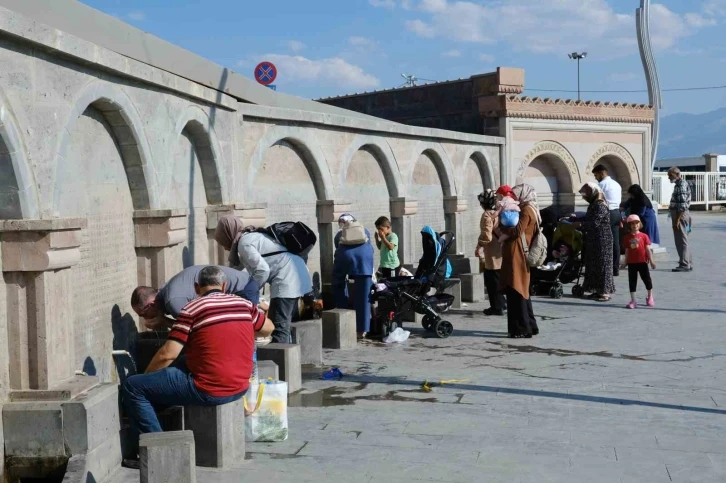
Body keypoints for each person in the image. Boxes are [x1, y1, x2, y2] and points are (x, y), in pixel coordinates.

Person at [122, 266, 274, 468]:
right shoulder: (244, 304)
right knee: (180, 364)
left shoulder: (192, 308)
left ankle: (161, 453)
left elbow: (168, 354)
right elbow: (269, 328)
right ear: (225, 285)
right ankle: (158, 408)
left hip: (209, 389)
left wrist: (147, 377)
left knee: (134, 387)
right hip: (240, 387)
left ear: (196, 287)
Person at [214, 215, 312, 344]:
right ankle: (292, 361)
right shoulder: (250, 237)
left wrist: (251, 291)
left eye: (222, 242)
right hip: (297, 274)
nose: (225, 248)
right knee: (285, 326)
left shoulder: (244, 243)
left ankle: (281, 363)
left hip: (287, 280)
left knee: (278, 327)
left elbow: (262, 270)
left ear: (227, 234)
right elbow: (235, 270)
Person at [131, 265, 260, 331]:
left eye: (143, 314)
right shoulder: (167, 291)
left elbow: (198, 328)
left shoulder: (173, 301)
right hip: (243, 283)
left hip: (243, 289)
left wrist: (164, 321)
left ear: (151, 304)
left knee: (243, 334)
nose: (145, 319)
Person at [499, 184, 539, 338]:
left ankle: (521, 328)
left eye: (516, 195)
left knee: (516, 289)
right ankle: (530, 325)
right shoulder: (528, 208)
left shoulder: (527, 210)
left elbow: (517, 231)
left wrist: (503, 228)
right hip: (518, 253)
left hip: (518, 254)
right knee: (522, 289)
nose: (514, 198)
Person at [332, 219, 375, 338]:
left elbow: (337, 246)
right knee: (364, 295)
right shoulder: (364, 229)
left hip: (345, 254)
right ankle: (362, 330)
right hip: (365, 257)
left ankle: (342, 312)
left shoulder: (340, 233)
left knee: (337, 282)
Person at [577, 182, 615, 302]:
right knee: (594, 265)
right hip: (594, 239)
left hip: (603, 239)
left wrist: (580, 225)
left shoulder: (600, 205)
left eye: (585, 194)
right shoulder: (594, 204)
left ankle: (605, 292)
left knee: (603, 265)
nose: (584, 197)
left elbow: (594, 222)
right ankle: (596, 290)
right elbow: (590, 218)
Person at [475, 189, 506, 316]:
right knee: (498, 279)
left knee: (492, 281)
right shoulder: (499, 213)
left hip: (492, 254)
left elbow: (487, 236)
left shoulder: (487, 215)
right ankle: (502, 303)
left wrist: (479, 247)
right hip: (501, 251)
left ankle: (496, 307)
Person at [592, 165, 623, 276]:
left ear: (602, 173)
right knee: (615, 242)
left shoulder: (601, 185)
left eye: (596, 175)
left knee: (603, 241)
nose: (596, 178)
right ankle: (615, 268)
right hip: (616, 213)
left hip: (606, 213)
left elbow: (597, 200)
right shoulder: (616, 184)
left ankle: (605, 267)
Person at [620, 214, 656, 309]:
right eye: (632, 224)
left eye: (637, 223)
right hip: (632, 263)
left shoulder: (644, 236)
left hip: (643, 262)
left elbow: (648, 249)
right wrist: (625, 262)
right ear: (629, 225)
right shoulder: (627, 237)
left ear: (640, 224)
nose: (635, 225)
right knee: (632, 281)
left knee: (647, 280)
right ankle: (633, 300)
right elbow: (627, 251)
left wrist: (652, 261)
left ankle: (650, 296)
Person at [668, 167, 693, 272]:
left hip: (681, 216)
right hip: (683, 216)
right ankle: (687, 262)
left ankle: (684, 264)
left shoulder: (681, 185)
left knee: (681, 240)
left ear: (677, 174)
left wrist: (677, 220)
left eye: (670, 175)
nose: (669, 177)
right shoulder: (680, 184)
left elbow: (682, 205)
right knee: (685, 239)